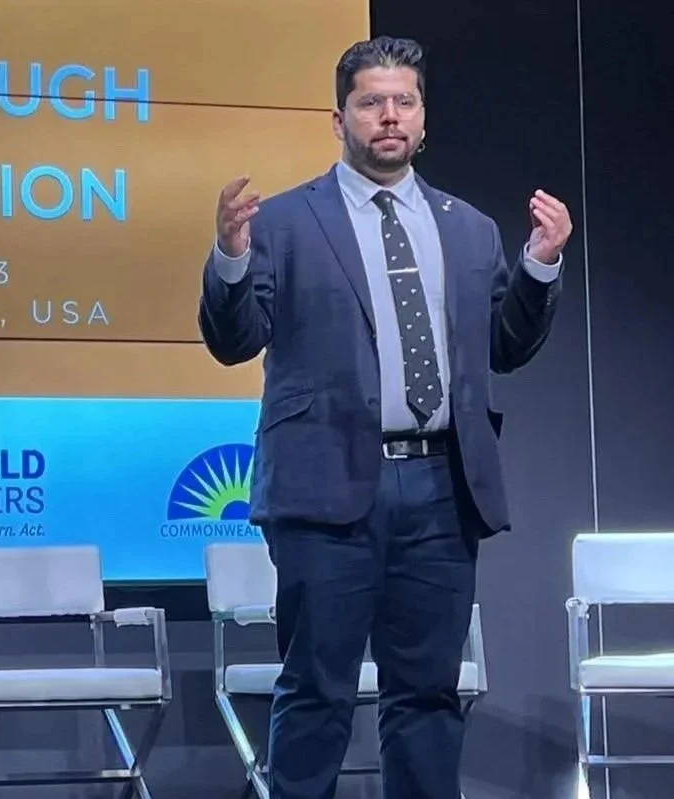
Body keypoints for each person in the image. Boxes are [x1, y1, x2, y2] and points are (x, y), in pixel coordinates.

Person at [198, 36, 571, 799]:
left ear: (423, 118)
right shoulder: (285, 223)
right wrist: (231, 257)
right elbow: (233, 341)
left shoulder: (465, 227)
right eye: (371, 103)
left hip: (441, 492)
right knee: (315, 691)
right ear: (338, 119)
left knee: (429, 694)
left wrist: (538, 266)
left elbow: (502, 347)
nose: (388, 117)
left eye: (403, 101)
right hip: (325, 491)